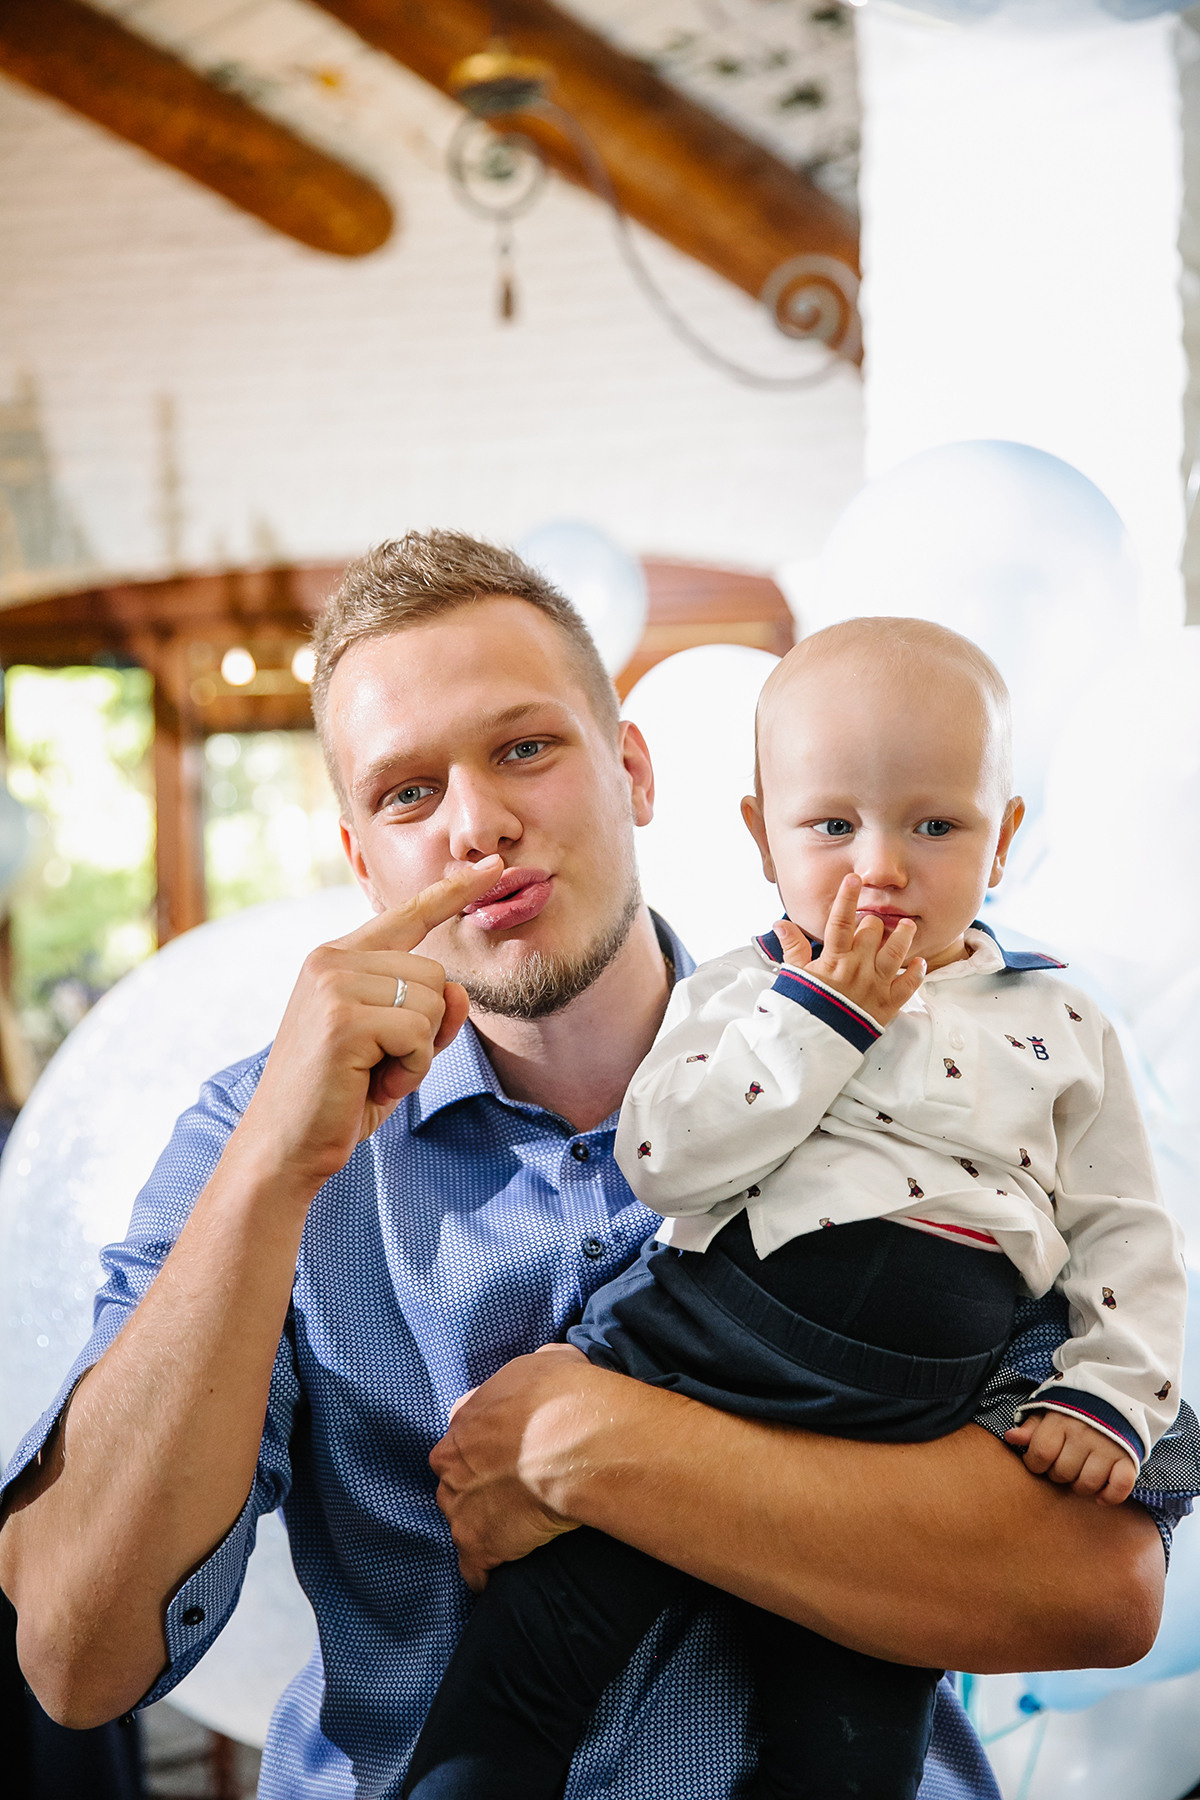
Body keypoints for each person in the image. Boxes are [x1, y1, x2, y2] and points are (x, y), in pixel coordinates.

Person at [0, 535, 1194, 1800]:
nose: (477, 824)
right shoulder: (259, 1130)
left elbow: (1096, 1591)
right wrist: (269, 1176)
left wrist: (603, 1447)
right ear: (361, 858)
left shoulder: (939, 1065)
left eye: (525, 748)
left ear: (631, 770)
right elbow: (76, 1658)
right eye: (407, 794)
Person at [400, 618, 1187, 1800]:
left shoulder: (1059, 1021)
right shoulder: (744, 988)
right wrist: (826, 1017)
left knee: (854, 1741)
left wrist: (1112, 1392)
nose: (880, 867)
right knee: (535, 1650)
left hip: (918, 1416)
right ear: (764, 838)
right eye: (832, 826)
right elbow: (666, 1159)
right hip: (716, 1343)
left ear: (1004, 837)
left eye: (935, 825)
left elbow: (1127, 1229)